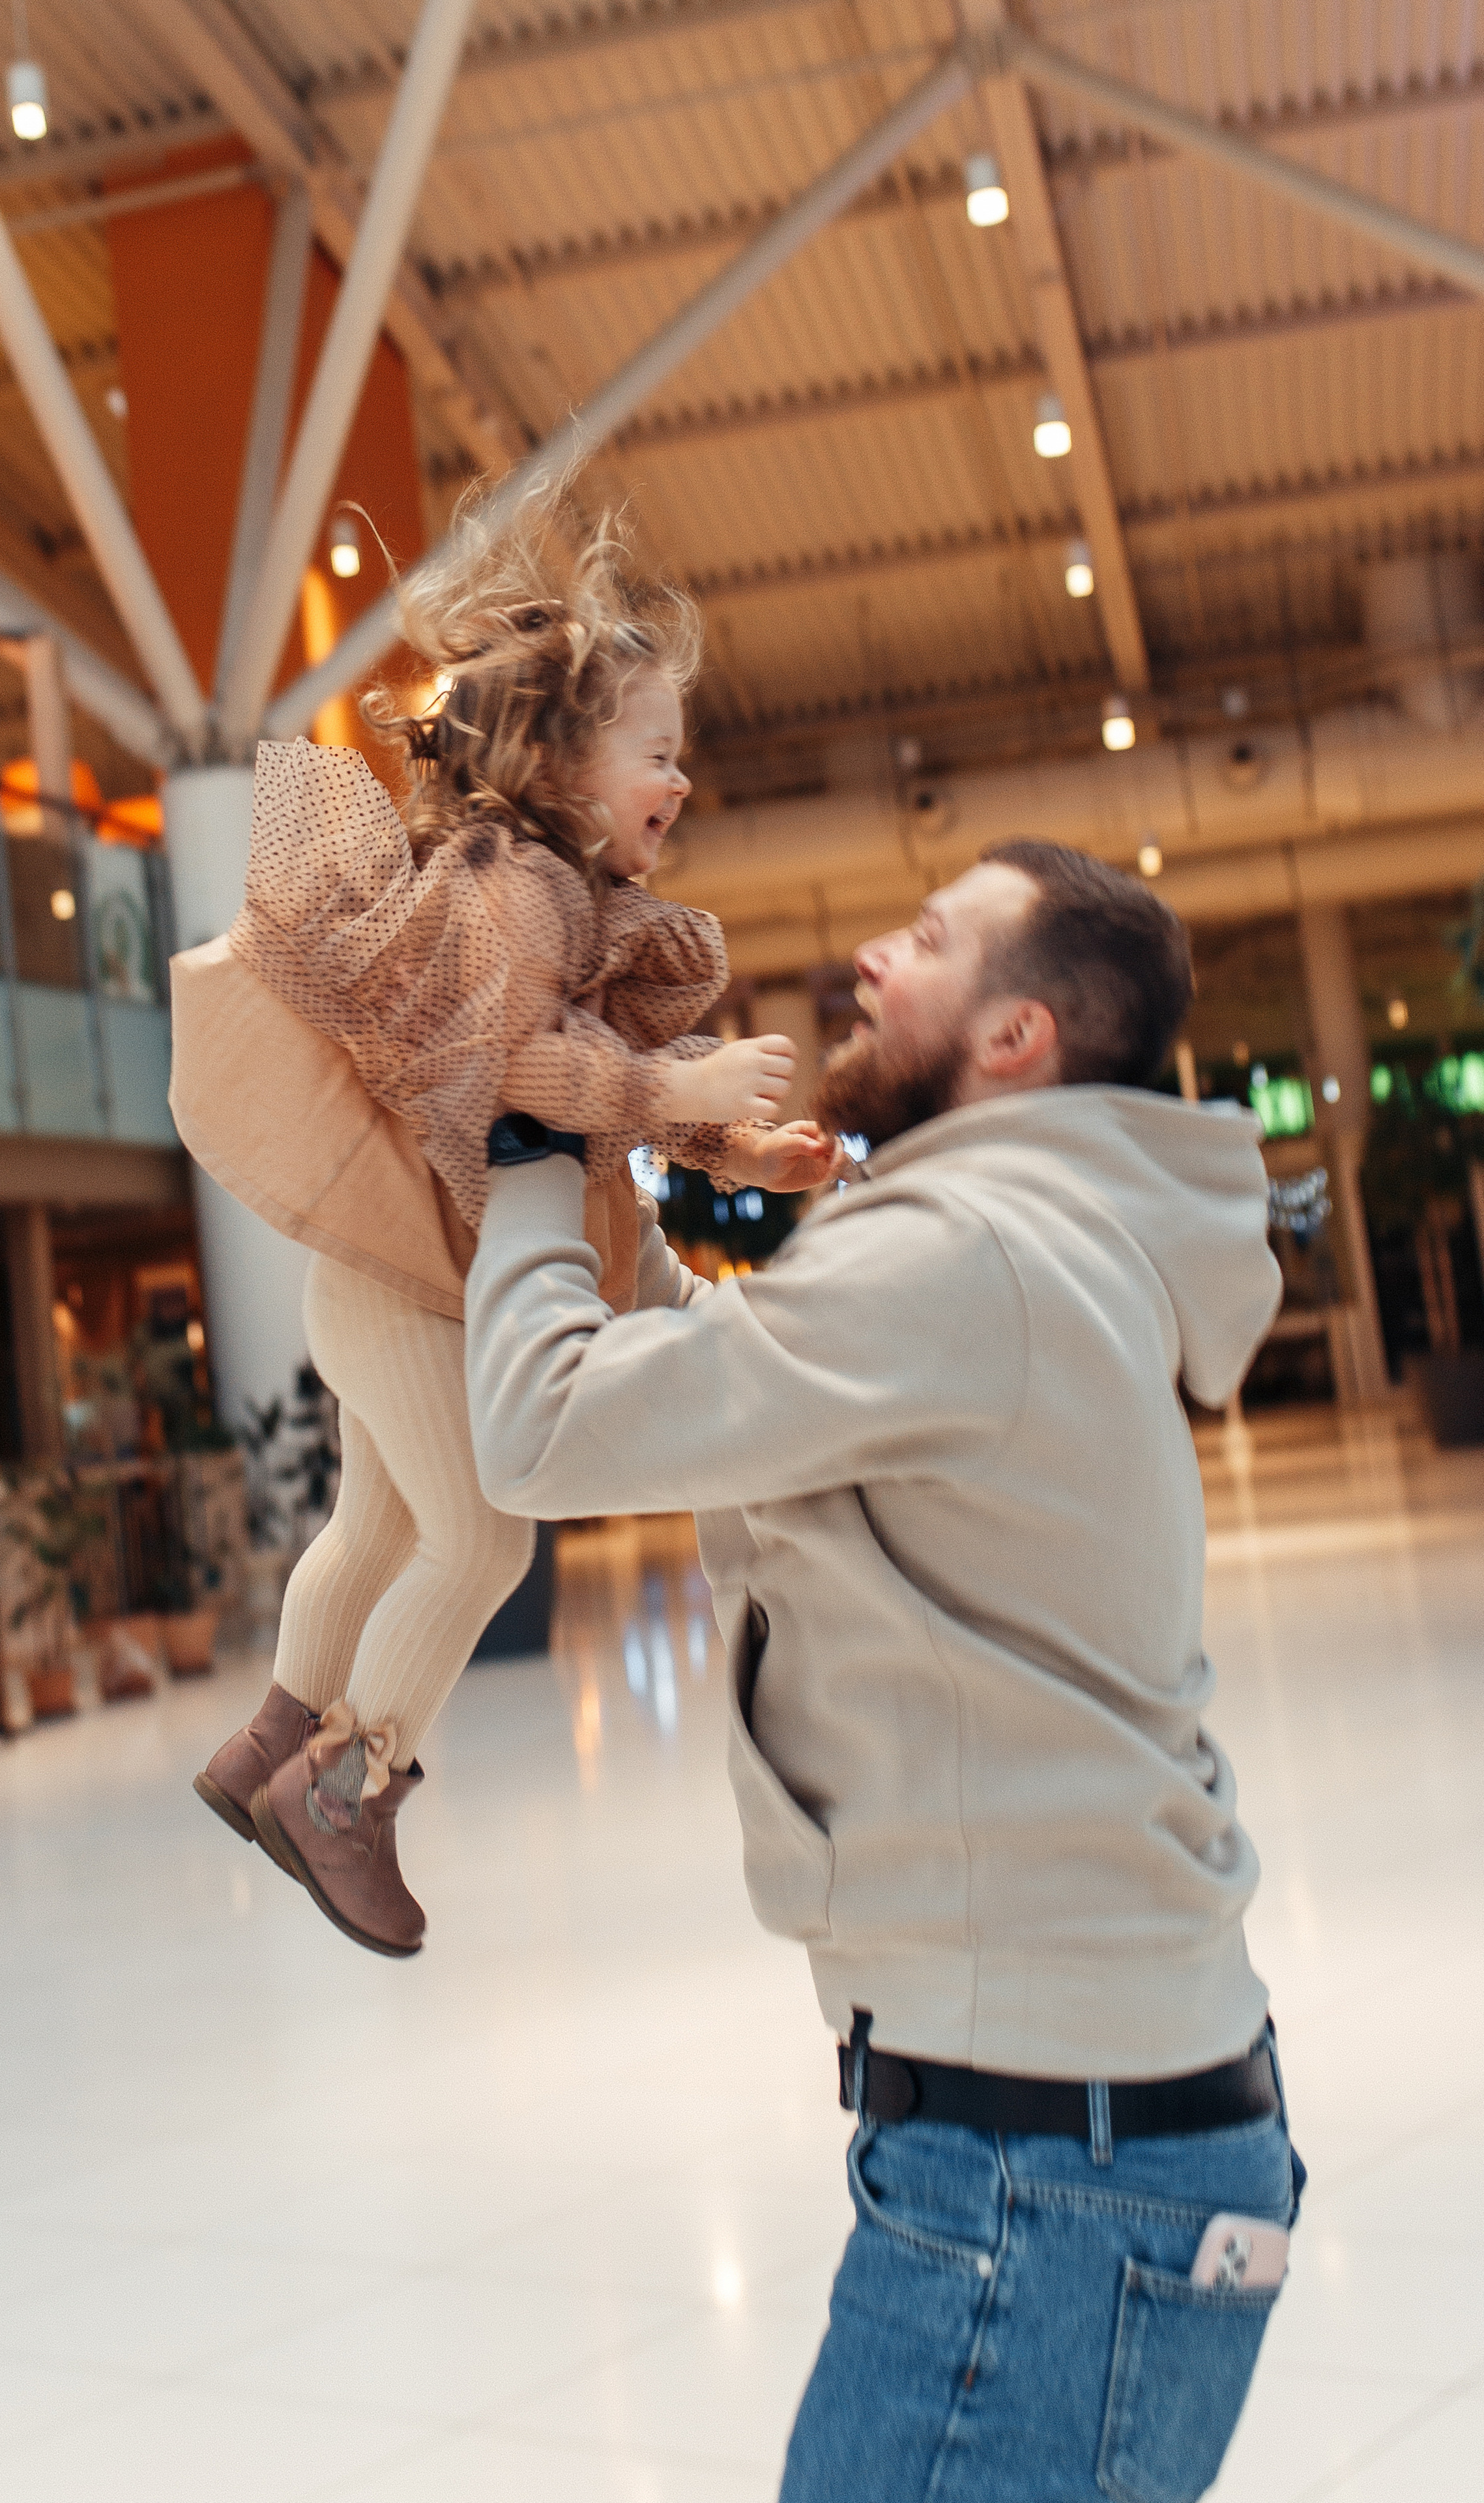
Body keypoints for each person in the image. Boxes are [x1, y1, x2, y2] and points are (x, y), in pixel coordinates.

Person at [462, 841, 1301, 2502]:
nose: (867, 958)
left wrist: (525, 1139)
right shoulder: (1038, 1237)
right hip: (1082, 2132)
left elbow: (537, 1426)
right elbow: (749, 1378)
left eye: (927, 940)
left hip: (1046, 2174)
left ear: (1018, 1039)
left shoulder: (959, 1258)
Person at [180, 483, 834, 1957]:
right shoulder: (512, 891)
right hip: (411, 1282)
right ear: (560, 762)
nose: (680, 779)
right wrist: (683, 1097)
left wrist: (736, 1145)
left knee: (378, 1527)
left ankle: (268, 1746)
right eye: (656, 751)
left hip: (398, 1273)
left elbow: (572, 1109)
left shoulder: (548, 893)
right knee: (478, 1546)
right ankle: (341, 1795)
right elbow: (501, 1079)